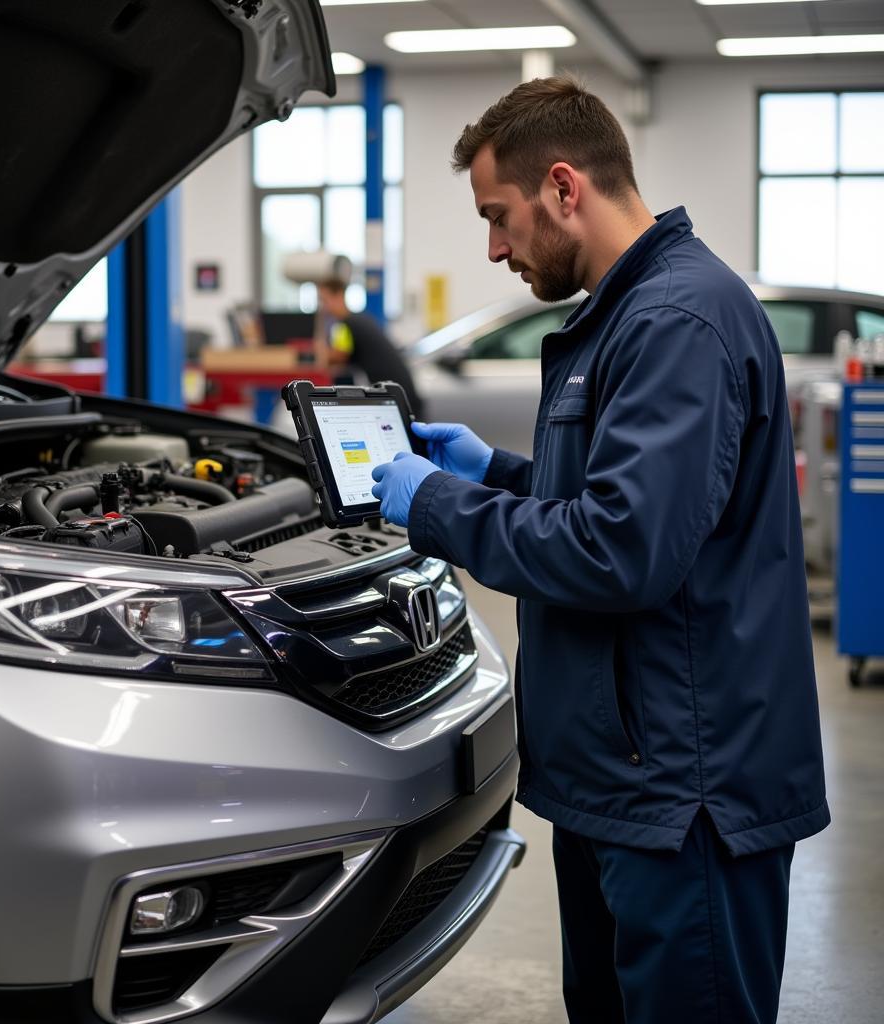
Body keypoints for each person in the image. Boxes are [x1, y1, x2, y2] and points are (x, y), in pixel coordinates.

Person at [370, 76, 828, 1024]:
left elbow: (622, 551)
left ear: (565, 188)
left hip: (685, 791)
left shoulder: (674, 321)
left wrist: (439, 508)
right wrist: (496, 473)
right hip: (622, 782)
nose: (493, 247)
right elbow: (627, 499)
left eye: (499, 217)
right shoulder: (624, 315)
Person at [316, 276, 425, 420]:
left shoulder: (345, 325)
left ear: (339, 295)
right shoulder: (361, 319)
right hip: (400, 391)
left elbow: (337, 356)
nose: (323, 307)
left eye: (324, 300)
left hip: (396, 396)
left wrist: (319, 331)